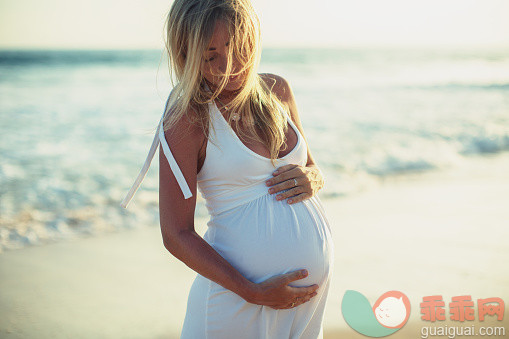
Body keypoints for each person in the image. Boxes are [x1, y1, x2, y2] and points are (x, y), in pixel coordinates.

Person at [120, 0, 334, 337]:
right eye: (210, 56)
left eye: (238, 48)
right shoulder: (188, 118)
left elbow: (310, 167)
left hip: (306, 311)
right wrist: (254, 292)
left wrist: (315, 177)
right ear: (187, 55)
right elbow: (176, 234)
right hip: (237, 307)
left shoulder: (278, 90)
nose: (229, 66)